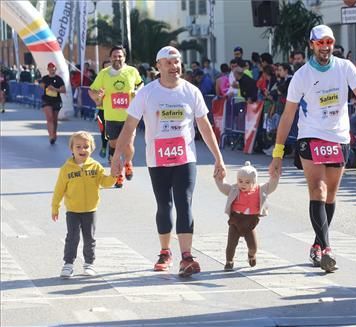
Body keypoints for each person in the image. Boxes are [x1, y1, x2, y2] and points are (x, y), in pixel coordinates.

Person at [268, 25, 356, 273]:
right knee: (317, 189)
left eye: (329, 42)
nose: (325, 47)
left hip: (338, 137)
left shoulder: (345, 67)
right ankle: (327, 249)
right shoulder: (302, 76)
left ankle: (318, 243)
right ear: (311, 45)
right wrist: (278, 153)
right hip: (311, 135)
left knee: (330, 196)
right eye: (320, 43)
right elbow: (287, 116)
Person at [110, 45, 226, 277]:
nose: (175, 67)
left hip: (185, 159)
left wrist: (218, 159)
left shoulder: (191, 91)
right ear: (159, 66)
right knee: (164, 205)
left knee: (184, 202)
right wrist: (117, 156)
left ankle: (186, 256)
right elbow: (130, 125)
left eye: (177, 62)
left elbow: (204, 126)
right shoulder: (147, 93)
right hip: (158, 159)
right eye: (169, 63)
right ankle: (165, 252)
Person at [51, 131, 116, 278]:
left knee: (89, 238)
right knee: (72, 237)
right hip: (73, 210)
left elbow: (104, 182)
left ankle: (89, 264)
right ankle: (68, 264)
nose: (82, 150)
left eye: (86, 147)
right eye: (78, 147)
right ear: (72, 149)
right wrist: (55, 207)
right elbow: (59, 190)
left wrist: (114, 176)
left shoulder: (95, 166)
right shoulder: (66, 169)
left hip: (90, 210)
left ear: (91, 149)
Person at [89, 45, 143, 188]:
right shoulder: (104, 73)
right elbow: (92, 90)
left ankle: (128, 162)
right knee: (115, 146)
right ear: (110, 58)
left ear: (124, 58)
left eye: (120, 56)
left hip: (130, 116)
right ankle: (118, 175)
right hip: (111, 117)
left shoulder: (132, 71)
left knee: (128, 145)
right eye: (114, 56)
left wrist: (137, 92)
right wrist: (97, 96)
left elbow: (141, 84)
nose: (117, 58)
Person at [214, 161, 279, 271]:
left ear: (254, 182)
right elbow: (223, 187)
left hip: (250, 223)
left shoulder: (260, 190)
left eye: (247, 182)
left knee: (253, 246)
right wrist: (219, 179)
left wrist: (274, 177)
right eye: (240, 181)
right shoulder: (234, 189)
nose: (243, 184)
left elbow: (271, 186)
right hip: (236, 221)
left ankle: (251, 255)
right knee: (231, 245)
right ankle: (229, 261)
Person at [40, 62, 66, 145]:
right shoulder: (45, 78)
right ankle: (51, 136)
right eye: (50, 68)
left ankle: (54, 133)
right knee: (49, 118)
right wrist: (44, 86)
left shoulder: (59, 79)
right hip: (46, 100)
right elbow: (41, 85)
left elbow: (63, 90)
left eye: (53, 67)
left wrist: (55, 89)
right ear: (48, 69)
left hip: (56, 100)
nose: (52, 69)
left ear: (55, 69)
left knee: (54, 120)